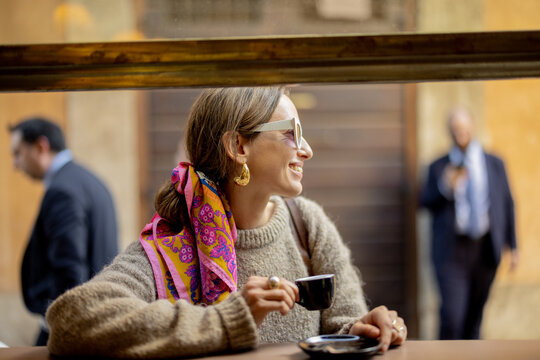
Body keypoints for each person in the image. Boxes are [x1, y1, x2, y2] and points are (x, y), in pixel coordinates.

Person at [45, 87, 407, 358]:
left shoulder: (308, 223)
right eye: (291, 132)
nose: (306, 149)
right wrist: (228, 320)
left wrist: (368, 328)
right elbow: (71, 322)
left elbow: (345, 325)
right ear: (238, 146)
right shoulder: (173, 243)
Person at [8, 117, 119, 346]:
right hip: (98, 315)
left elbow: (68, 268)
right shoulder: (91, 182)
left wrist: (63, 326)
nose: (15, 164)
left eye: (18, 153)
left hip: (74, 324)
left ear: (41, 147)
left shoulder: (62, 191)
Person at [420, 107, 518, 339]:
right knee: (453, 318)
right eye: (455, 129)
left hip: (485, 249)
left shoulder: (494, 162)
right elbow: (424, 201)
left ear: (472, 127)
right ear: (450, 132)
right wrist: (446, 187)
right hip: (451, 252)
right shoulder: (438, 166)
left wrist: (512, 246)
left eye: (464, 128)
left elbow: (507, 203)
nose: (460, 133)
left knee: (474, 320)